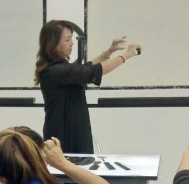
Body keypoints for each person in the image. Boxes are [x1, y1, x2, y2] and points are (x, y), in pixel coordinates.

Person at [35, 20, 141, 153]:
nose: (72, 43)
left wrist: (109, 52)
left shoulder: (60, 69)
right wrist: (126, 55)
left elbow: (85, 68)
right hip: (65, 137)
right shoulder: (56, 70)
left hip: (73, 132)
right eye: (67, 40)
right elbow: (93, 71)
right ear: (53, 44)